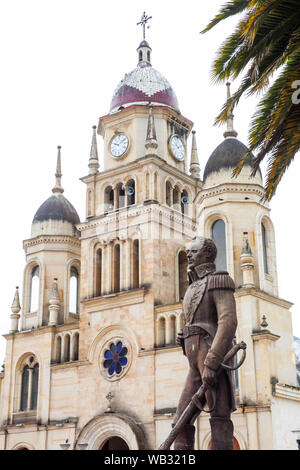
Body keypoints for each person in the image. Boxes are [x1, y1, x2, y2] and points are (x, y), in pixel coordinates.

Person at [173, 236, 237, 450]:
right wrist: (183, 335)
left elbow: (227, 321)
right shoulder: (191, 287)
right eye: (188, 251)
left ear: (207, 254)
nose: (189, 254)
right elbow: (194, 320)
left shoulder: (218, 280)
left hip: (209, 354)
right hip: (193, 361)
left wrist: (212, 361)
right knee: (180, 421)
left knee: (219, 418)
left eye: (194, 250)